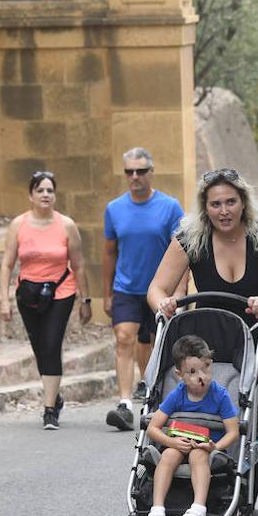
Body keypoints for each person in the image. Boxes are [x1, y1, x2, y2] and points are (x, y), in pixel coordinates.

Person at [147, 168, 258, 503]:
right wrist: (165, 304)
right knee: (201, 419)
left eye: (231, 201)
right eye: (216, 204)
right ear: (205, 207)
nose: (224, 210)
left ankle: (244, 504)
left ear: (243, 202)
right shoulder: (191, 238)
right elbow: (157, 288)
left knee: (251, 427)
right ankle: (200, 496)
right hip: (207, 350)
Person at [0, 171, 92, 430]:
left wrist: (85, 300)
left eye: (50, 190)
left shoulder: (66, 225)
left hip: (61, 292)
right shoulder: (19, 225)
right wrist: (4, 301)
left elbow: (79, 264)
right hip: (27, 294)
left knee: (51, 344)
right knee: (40, 347)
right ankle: (55, 395)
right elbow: (7, 264)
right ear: (30, 195)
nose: (45, 195)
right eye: (40, 190)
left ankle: (49, 409)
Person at [103, 147, 185, 432]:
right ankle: (125, 404)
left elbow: (184, 251)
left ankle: (152, 400)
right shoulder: (114, 209)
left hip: (160, 289)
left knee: (156, 344)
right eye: (129, 172)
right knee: (124, 338)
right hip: (126, 287)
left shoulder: (170, 207)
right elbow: (109, 253)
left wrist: (180, 292)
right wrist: (107, 292)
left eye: (140, 171)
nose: (134, 176)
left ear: (151, 172)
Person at [144, 335, 240, 516]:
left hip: (206, 448)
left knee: (198, 455)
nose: (201, 376)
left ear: (211, 364)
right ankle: (157, 510)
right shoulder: (177, 395)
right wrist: (172, 442)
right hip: (177, 443)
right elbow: (153, 428)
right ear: (180, 375)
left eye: (206, 368)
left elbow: (233, 432)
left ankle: (198, 510)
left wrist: (216, 447)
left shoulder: (219, 395)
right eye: (193, 372)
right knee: (168, 455)